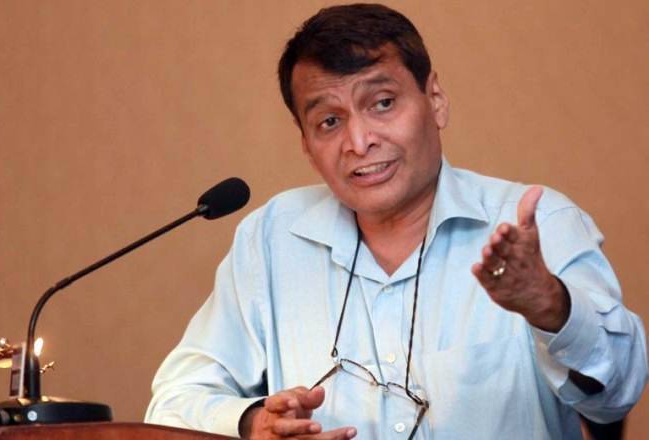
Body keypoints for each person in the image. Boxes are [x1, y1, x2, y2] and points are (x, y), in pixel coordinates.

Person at [145, 4, 647, 439]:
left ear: (435, 100)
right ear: (306, 145)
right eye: (329, 121)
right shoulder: (272, 238)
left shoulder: (534, 223)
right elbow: (174, 399)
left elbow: (620, 393)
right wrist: (253, 421)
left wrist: (550, 306)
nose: (359, 141)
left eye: (382, 103)